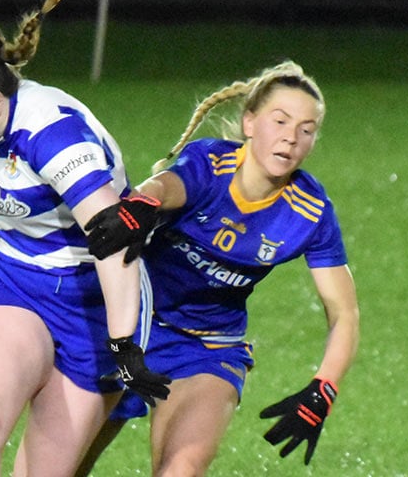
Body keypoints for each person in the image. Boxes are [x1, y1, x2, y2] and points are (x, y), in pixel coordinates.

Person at [0, 0, 170, 475]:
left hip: (95, 299)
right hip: (13, 279)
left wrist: (123, 342)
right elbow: (13, 194)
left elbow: (115, 242)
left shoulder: (53, 135)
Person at [78, 60, 360, 475]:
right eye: (280, 120)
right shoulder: (211, 163)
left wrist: (324, 390)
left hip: (205, 348)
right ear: (250, 122)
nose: (291, 137)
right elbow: (169, 186)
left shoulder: (311, 211)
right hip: (125, 327)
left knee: (182, 468)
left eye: (307, 129)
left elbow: (344, 312)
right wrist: (143, 203)